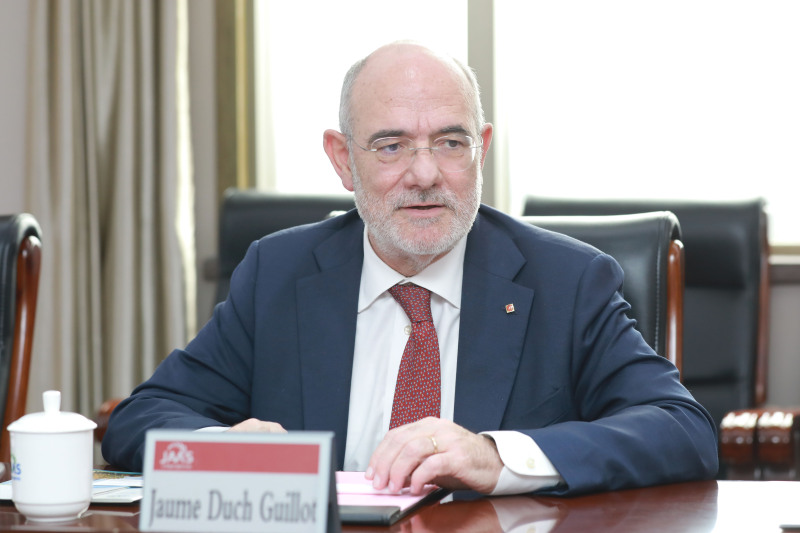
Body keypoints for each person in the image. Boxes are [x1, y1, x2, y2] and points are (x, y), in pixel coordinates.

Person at [102, 41, 718, 496]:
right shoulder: (279, 273)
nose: (425, 174)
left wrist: (497, 456)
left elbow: (683, 429)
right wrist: (223, 449)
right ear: (343, 160)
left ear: (481, 149)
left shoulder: (567, 281)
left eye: (450, 143)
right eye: (391, 145)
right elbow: (141, 418)